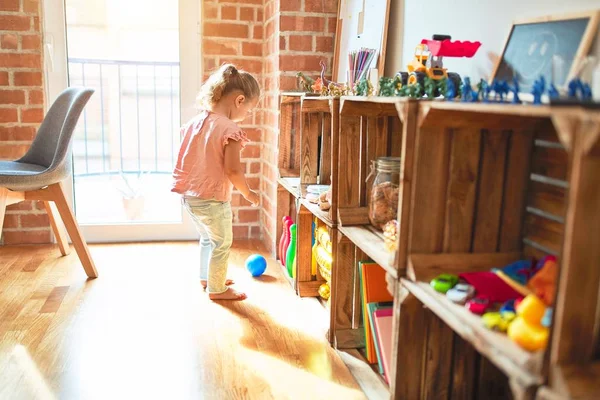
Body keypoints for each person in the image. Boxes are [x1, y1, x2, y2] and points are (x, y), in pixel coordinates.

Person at [172, 63, 260, 301]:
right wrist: (249, 193)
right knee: (222, 243)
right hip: (212, 199)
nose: (247, 115)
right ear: (239, 100)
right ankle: (217, 289)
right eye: (249, 109)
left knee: (208, 239)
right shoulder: (229, 129)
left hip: (190, 197)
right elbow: (232, 170)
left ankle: (208, 277)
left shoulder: (195, 123)